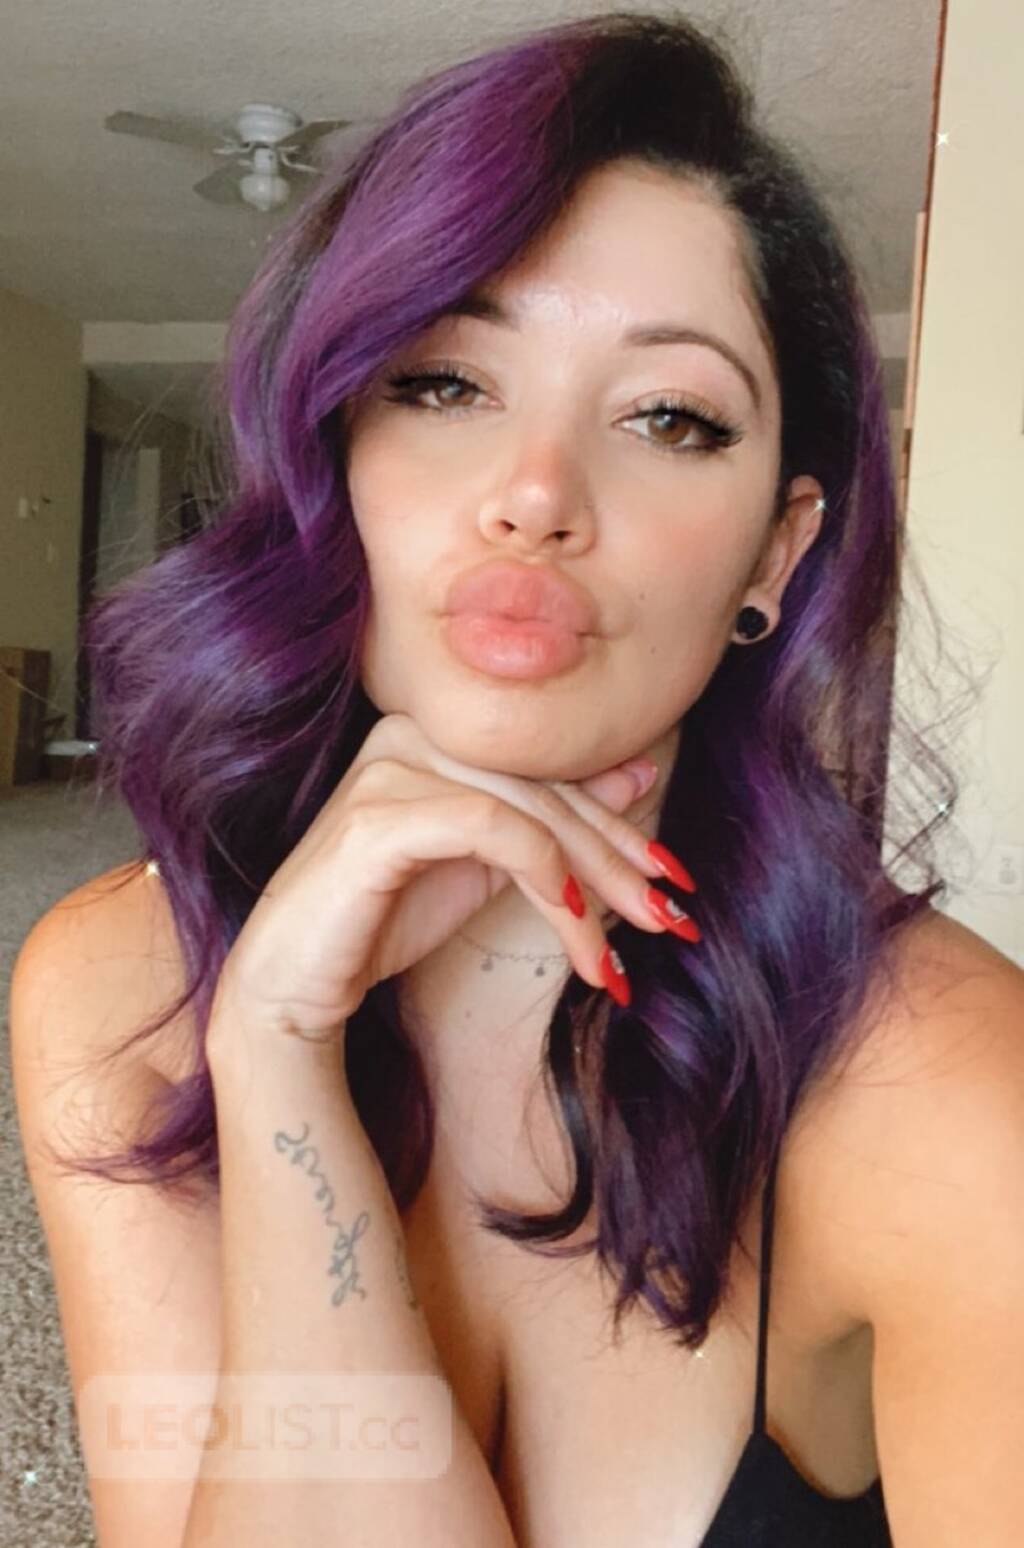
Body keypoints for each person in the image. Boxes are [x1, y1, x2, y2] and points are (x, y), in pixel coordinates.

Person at [9, 11, 1024, 1547]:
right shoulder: (119, 988)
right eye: (444, 384)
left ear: (773, 555)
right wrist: (275, 1050)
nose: (536, 495)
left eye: (668, 416)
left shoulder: (941, 1082)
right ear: (334, 454)